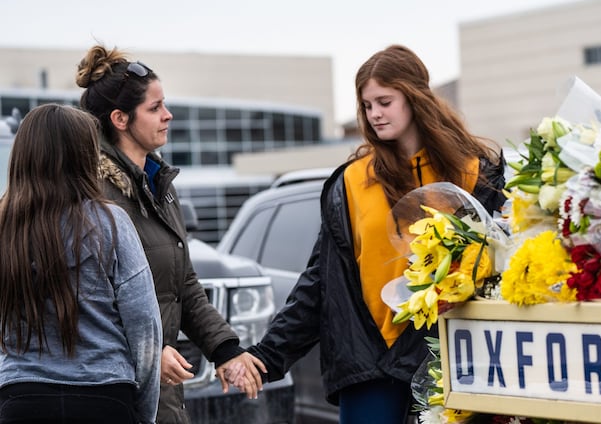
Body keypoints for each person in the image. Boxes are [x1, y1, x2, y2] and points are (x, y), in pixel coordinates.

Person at [233, 44, 506, 423]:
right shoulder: (352, 182)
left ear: (415, 98)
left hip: (451, 355)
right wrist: (267, 356)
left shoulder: (474, 171)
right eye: (366, 105)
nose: (374, 114)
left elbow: (503, 260)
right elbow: (319, 283)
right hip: (369, 360)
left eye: (384, 101)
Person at [75, 44, 262, 423]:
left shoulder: (160, 184)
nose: (168, 115)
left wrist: (225, 349)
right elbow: (84, 299)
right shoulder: (92, 195)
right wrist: (146, 351)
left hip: (164, 392)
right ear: (120, 119)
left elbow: (183, 284)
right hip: (112, 392)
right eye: (155, 107)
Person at [0, 104, 162, 423]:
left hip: (21, 399)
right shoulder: (112, 223)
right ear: (82, 159)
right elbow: (145, 327)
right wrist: (143, 413)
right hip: (104, 398)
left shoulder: (4, 227)